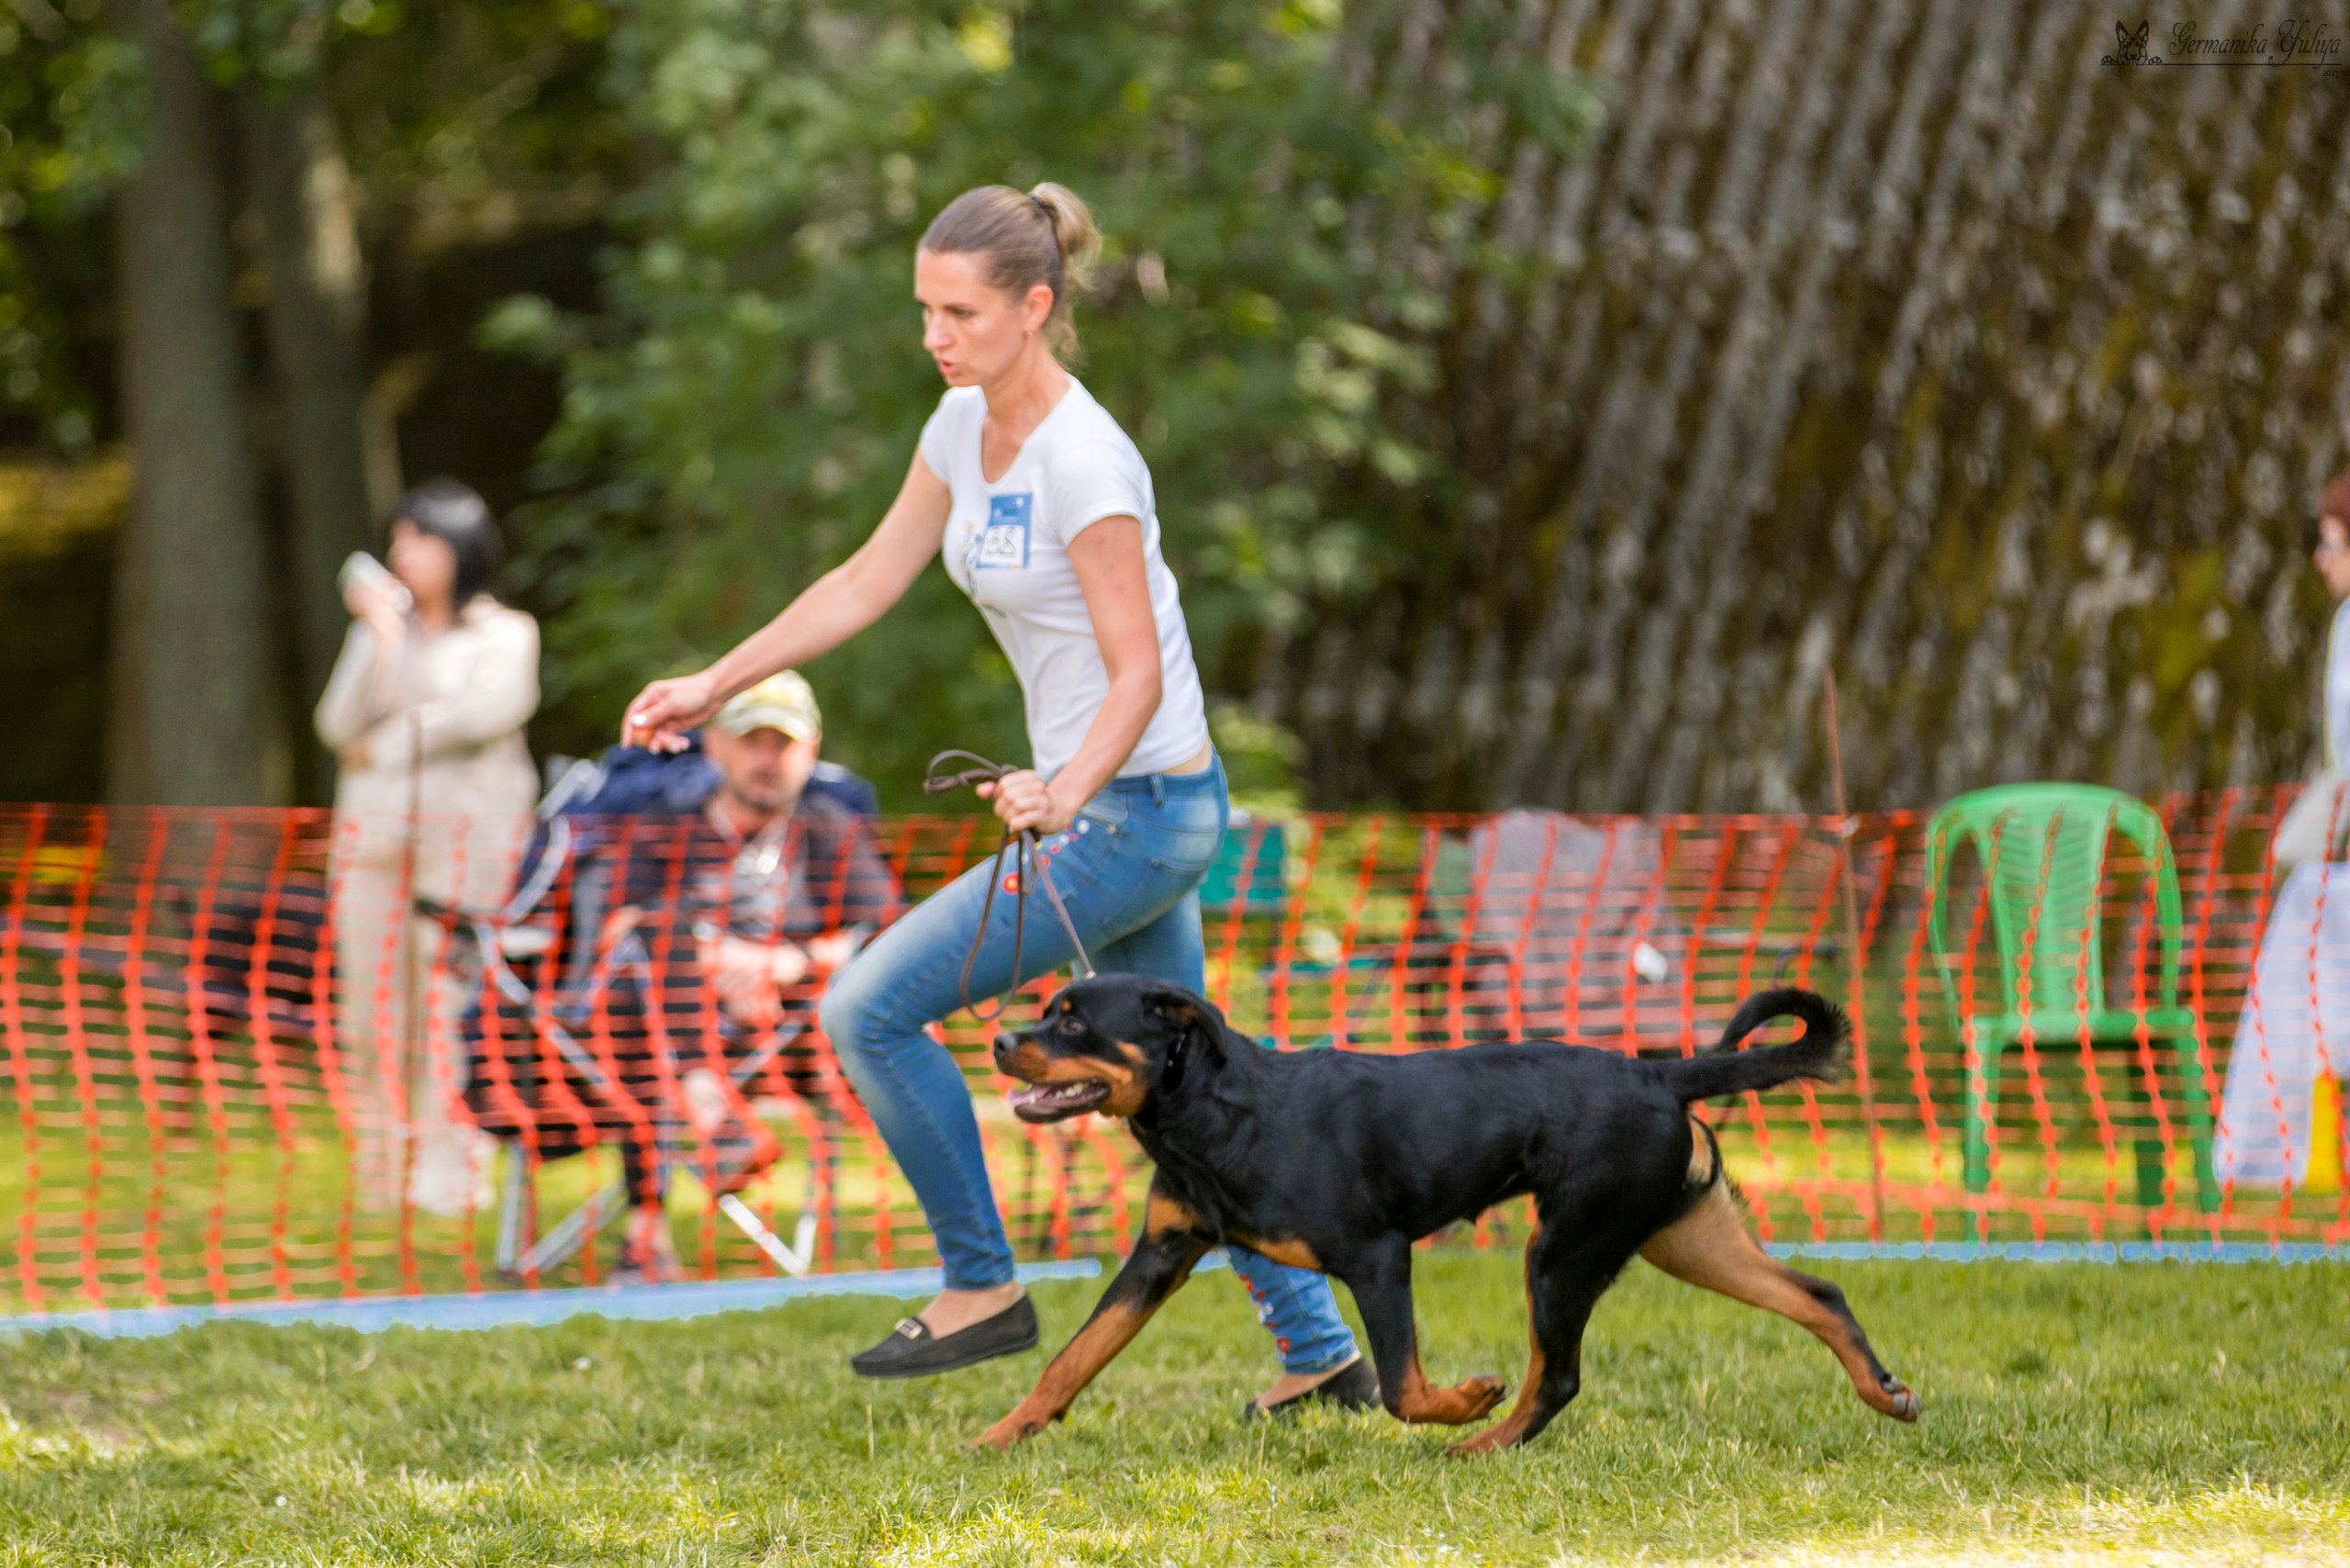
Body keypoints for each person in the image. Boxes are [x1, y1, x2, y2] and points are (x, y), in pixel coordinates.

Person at [621, 183, 1371, 1412]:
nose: (936, 335)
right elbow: (866, 576)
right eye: (925, 309)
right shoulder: (960, 428)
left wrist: (1064, 790)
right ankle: (1320, 1354)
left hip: (1138, 808)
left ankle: (982, 1285)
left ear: (1035, 307)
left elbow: (1136, 675)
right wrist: (717, 680)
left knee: (866, 1010)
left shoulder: (1091, 465)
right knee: (1194, 1100)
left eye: (958, 312)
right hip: (1109, 805)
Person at [315, 478, 540, 1216]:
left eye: (420, 538)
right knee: (372, 1008)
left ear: (462, 548)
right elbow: (334, 724)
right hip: (372, 840)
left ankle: (451, 1174)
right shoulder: (379, 629)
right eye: (397, 540)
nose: (402, 554)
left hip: (468, 842)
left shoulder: (507, 633)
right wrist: (378, 640)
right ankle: (383, 1170)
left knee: (452, 1001)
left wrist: (386, 742)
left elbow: (483, 712)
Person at [2217, 467, 2350, 1190]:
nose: (2319, 561)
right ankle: (2295, 1152)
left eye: (2331, 545)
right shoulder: (2343, 625)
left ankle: (2276, 1151)